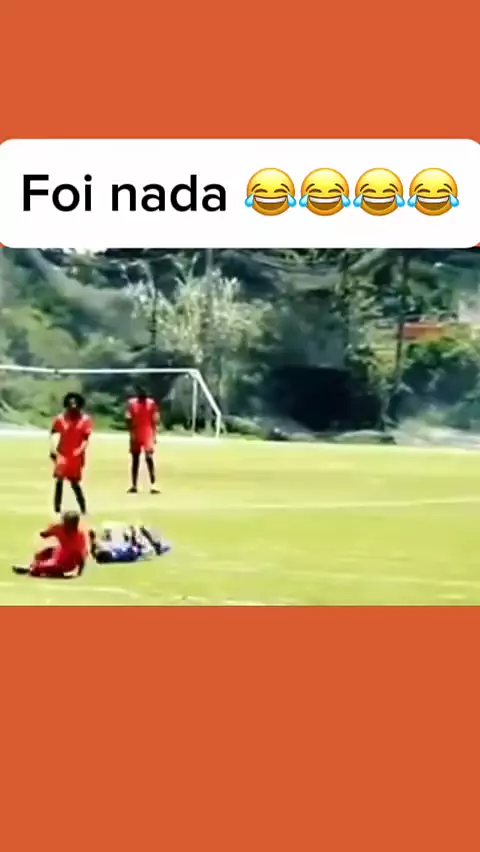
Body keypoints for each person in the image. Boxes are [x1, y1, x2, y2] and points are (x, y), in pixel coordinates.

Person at [50, 392, 93, 515]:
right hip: (62, 454)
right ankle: (57, 508)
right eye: (70, 403)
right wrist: (53, 449)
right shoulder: (60, 419)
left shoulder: (85, 420)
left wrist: (80, 450)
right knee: (59, 480)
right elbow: (54, 433)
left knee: (74, 483)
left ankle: (83, 508)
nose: (73, 406)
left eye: (75, 403)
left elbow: (86, 438)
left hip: (75, 456)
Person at [12, 511, 89, 578]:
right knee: (44, 552)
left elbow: (80, 558)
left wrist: (79, 573)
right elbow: (44, 534)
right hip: (60, 552)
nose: (67, 526)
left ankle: (32, 569)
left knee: (50, 567)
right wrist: (48, 531)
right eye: (66, 522)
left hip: (69, 562)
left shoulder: (79, 537)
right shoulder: (59, 528)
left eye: (71, 524)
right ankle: (32, 566)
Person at [126, 386, 160, 494]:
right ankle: (134, 485)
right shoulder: (132, 403)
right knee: (135, 459)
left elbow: (155, 419)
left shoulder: (151, 403)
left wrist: (154, 435)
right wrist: (131, 432)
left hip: (147, 433)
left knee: (149, 458)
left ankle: (153, 484)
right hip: (136, 432)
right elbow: (128, 418)